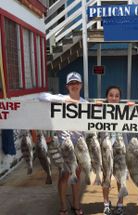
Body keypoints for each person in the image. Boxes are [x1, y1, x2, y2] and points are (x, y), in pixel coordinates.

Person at [39, 72, 86, 215]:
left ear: (81, 85)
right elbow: (41, 96)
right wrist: (64, 100)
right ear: (67, 86)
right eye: (71, 83)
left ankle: (76, 205)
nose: (74, 85)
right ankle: (63, 206)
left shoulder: (85, 103)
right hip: (64, 146)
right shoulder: (60, 99)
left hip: (79, 146)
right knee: (64, 175)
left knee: (77, 175)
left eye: (76, 83)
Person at [99, 86, 129, 215]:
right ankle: (106, 203)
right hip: (106, 149)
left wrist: (132, 108)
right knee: (106, 177)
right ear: (107, 97)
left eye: (117, 96)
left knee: (120, 178)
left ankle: (120, 204)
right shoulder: (101, 110)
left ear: (120, 98)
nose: (114, 98)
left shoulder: (125, 111)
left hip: (121, 150)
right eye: (111, 95)